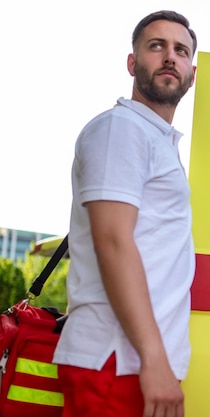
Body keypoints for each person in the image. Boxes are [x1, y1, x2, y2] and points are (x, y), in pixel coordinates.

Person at [53, 10, 197, 417]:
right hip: (117, 360)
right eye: (157, 46)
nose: (170, 57)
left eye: (180, 51)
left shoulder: (155, 138)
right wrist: (152, 359)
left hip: (131, 360)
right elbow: (113, 242)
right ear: (133, 64)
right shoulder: (122, 128)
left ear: (192, 72)